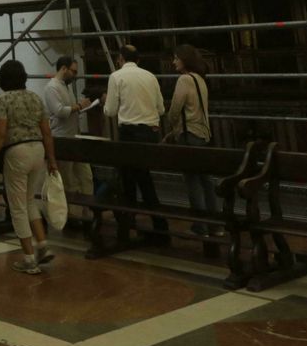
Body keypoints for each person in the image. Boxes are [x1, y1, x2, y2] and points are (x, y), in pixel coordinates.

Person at [0, 59, 58, 274]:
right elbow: (47, 131)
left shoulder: (4, 99)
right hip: (38, 150)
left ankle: (28, 258)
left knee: (17, 206)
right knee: (29, 201)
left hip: (17, 152)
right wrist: (52, 159)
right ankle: (42, 245)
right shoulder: (35, 98)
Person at [103, 44, 168, 243]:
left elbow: (111, 111)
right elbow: (161, 109)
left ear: (120, 59)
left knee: (130, 181)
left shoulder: (116, 77)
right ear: (138, 60)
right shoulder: (150, 76)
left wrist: (106, 101)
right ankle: (156, 227)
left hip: (129, 133)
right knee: (143, 178)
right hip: (149, 133)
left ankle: (133, 226)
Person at [163, 44, 218, 237]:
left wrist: (171, 124)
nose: (174, 62)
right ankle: (215, 224)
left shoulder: (184, 80)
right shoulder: (200, 79)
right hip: (203, 133)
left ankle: (200, 225)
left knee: (192, 181)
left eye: (176, 58)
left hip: (189, 135)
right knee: (206, 180)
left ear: (184, 59)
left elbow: (176, 108)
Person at [42, 55, 94, 230]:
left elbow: (70, 111)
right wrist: (79, 106)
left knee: (86, 176)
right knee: (69, 180)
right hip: (61, 139)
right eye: (73, 71)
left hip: (74, 136)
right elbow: (59, 112)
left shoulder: (66, 86)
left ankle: (89, 212)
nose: (75, 75)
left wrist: (81, 106)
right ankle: (71, 217)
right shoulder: (51, 88)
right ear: (63, 69)